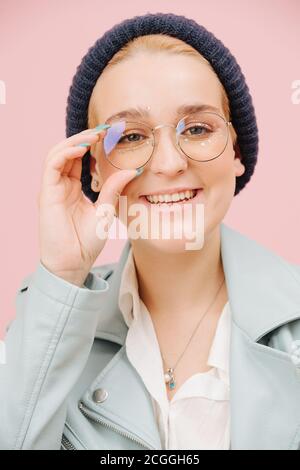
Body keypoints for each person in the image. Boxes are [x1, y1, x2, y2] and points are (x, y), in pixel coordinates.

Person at [1, 12, 300, 451]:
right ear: (93, 170)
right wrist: (63, 274)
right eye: (130, 137)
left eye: (197, 129)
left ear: (236, 152)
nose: (168, 163)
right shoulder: (45, 321)